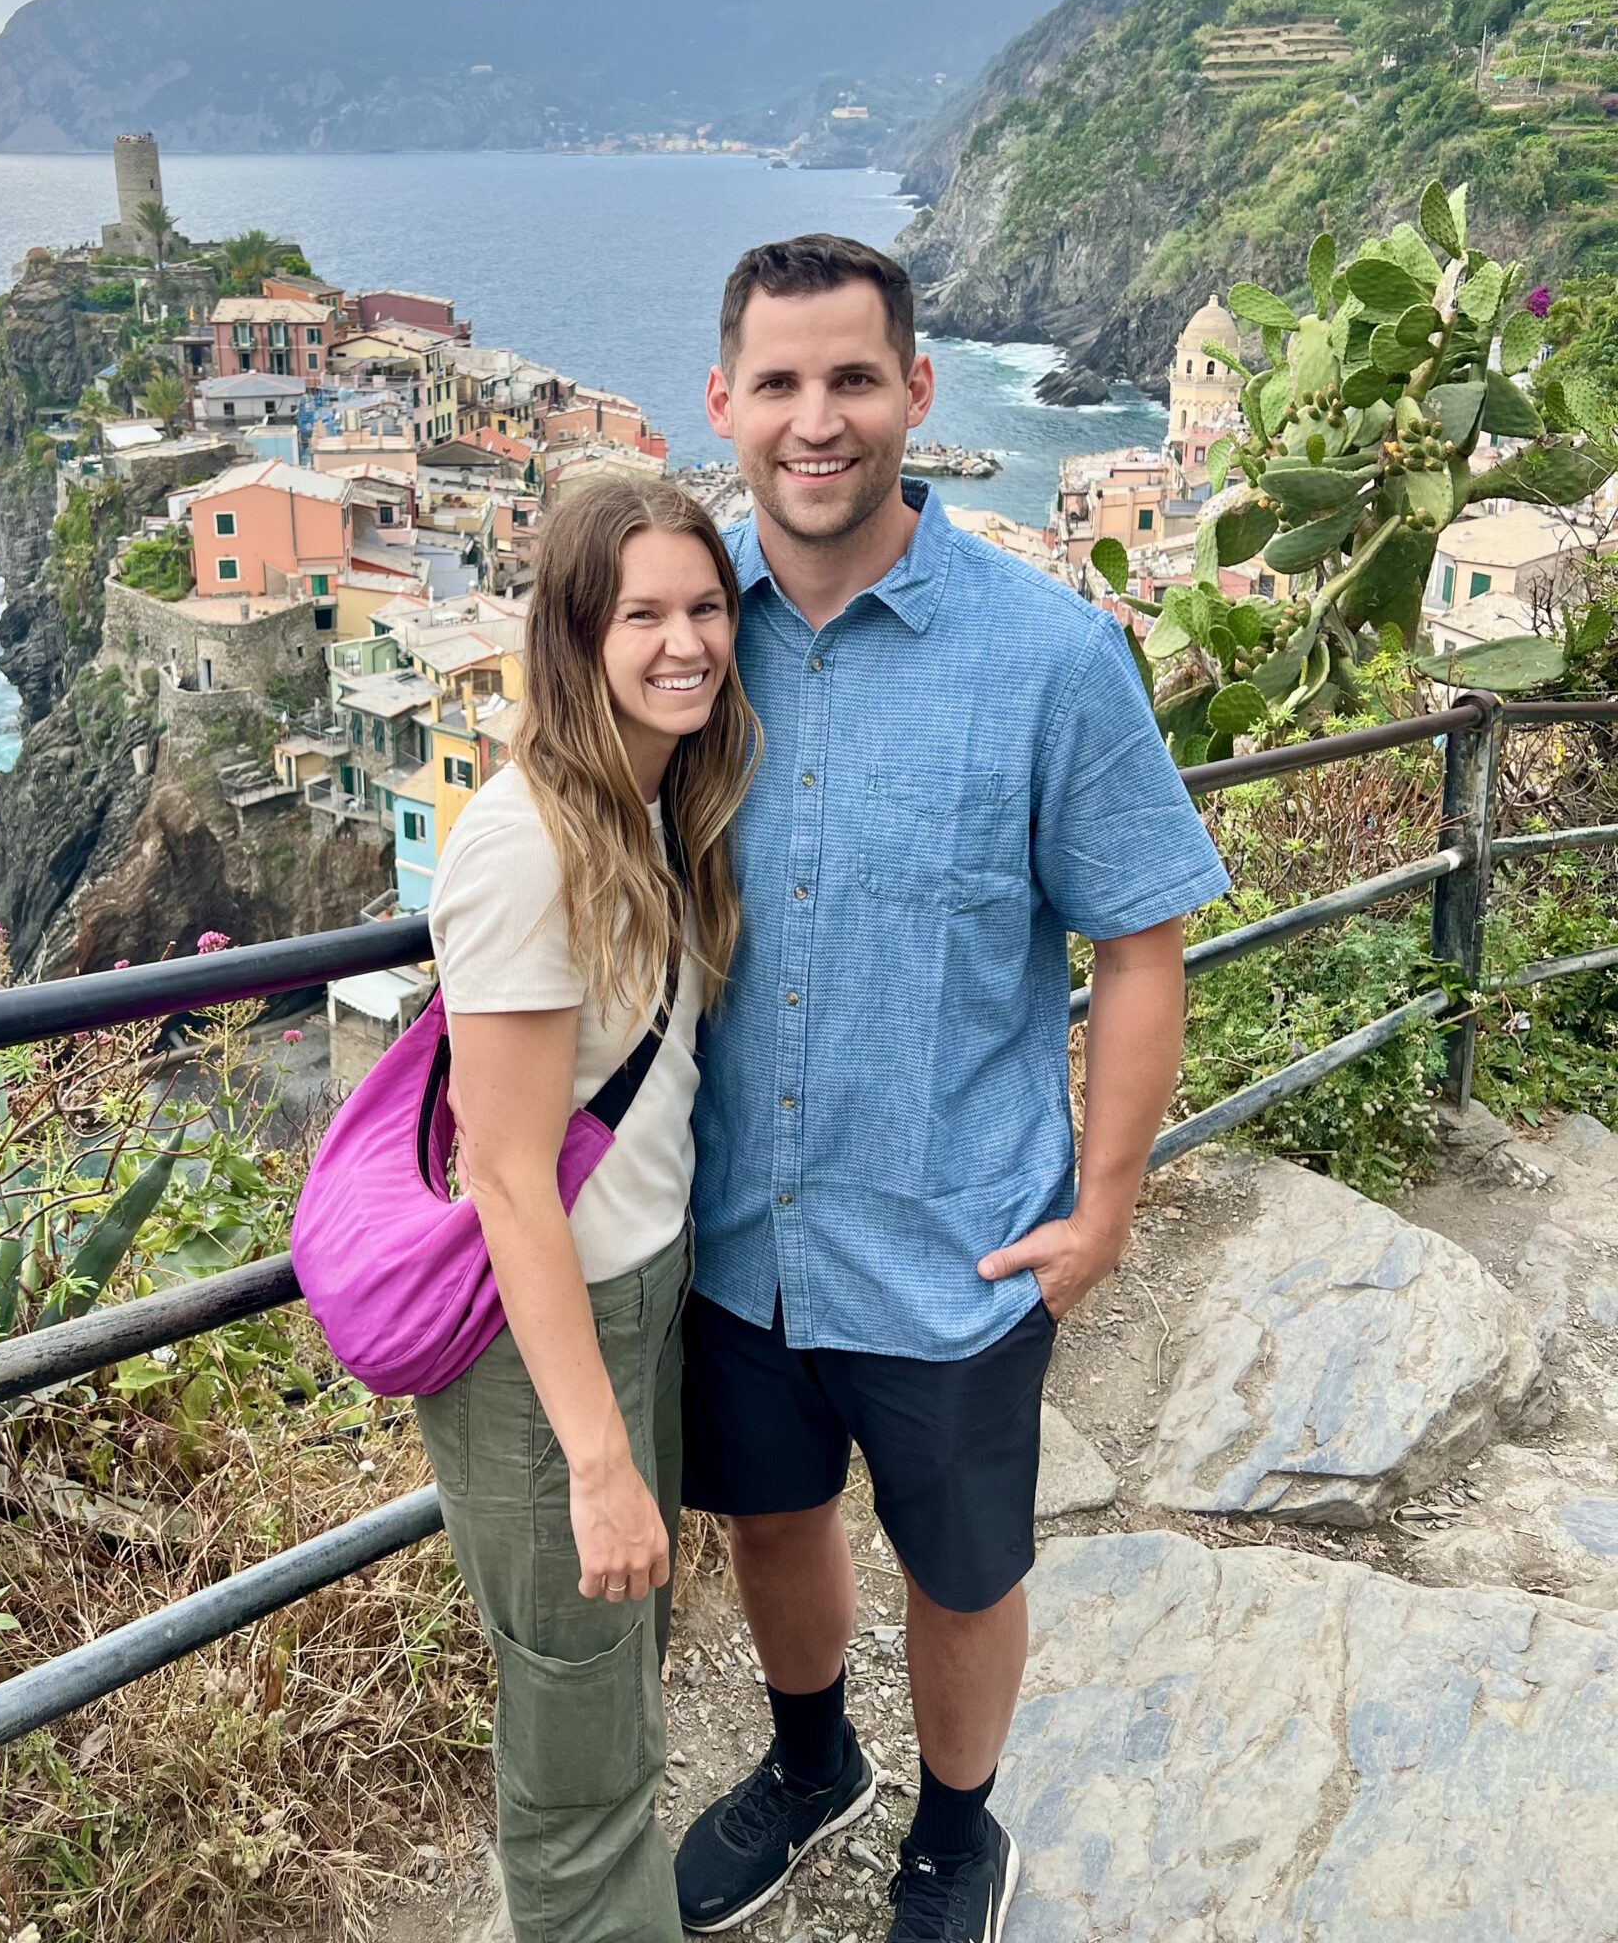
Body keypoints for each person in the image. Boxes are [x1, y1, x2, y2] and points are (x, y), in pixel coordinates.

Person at [672, 236, 1228, 1941]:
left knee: (965, 1570)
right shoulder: (682, 655)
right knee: (772, 1524)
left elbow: (1140, 943)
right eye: (780, 384)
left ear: (919, 393)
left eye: (853, 379)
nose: (816, 420)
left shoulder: (1051, 659)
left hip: (957, 1243)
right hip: (733, 1238)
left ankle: (960, 1823)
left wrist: (1106, 1204)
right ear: (727, 405)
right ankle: (814, 1756)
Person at [416, 477, 759, 1943]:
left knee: (616, 1687)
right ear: (574, 634)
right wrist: (601, 1458)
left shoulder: (647, 802)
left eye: (704, 608)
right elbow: (505, 1175)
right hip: (544, 1350)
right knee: (577, 1759)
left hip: (640, 1295)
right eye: (643, 616)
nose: (685, 643)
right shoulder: (526, 843)